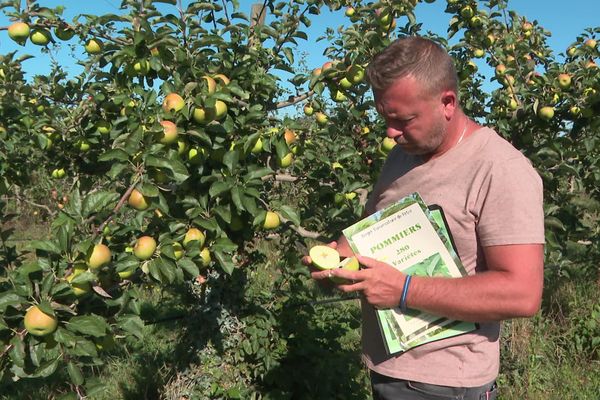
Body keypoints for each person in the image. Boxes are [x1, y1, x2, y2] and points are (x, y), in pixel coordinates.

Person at [306, 36, 545, 399]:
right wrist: (335, 259)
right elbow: (370, 229)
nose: (390, 133)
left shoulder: (501, 169)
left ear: (447, 102)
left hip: (446, 385)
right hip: (387, 370)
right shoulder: (402, 156)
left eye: (403, 119)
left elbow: (522, 293)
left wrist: (404, 290)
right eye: (385, 118)